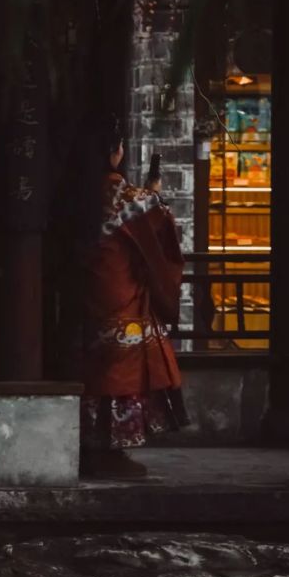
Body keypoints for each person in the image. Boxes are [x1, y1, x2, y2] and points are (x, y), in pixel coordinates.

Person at [80, 138, 188, 470]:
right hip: (120, 288)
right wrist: (154, 191)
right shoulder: (119, 190)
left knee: (97, 365)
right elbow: (159, 220)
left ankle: (90, 442)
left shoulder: (78, 190)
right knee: (122, 369)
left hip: (91, 286)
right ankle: (111, 448)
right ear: (115, 151)